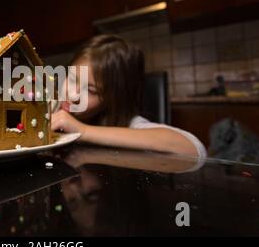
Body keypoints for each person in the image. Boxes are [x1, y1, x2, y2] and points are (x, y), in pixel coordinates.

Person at [51, 34, 206, 157]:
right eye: (71, 79)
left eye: (91, 90)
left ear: (114, 98)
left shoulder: (127, 124)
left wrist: (83, 131)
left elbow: (194, 148)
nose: (72, 94)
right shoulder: (55, 106)